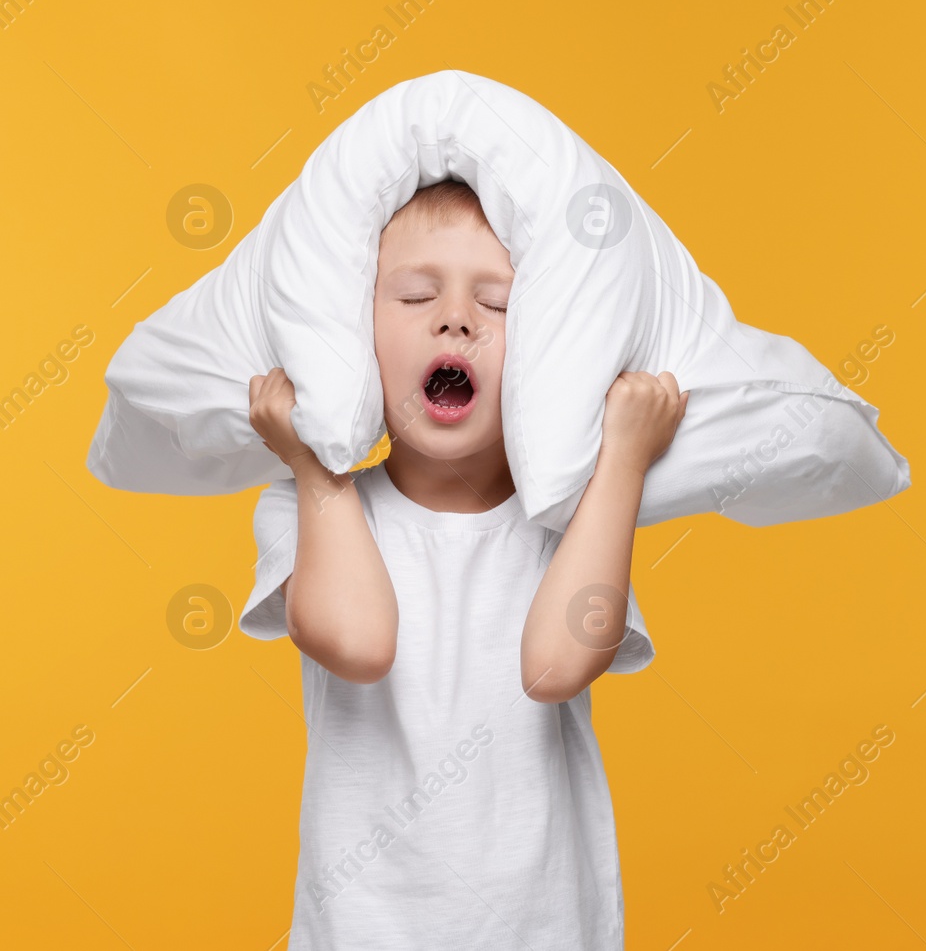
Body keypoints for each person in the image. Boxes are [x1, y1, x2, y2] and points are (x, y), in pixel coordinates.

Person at [239, 180, 688, 949]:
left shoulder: (570, 523)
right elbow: (359, 640)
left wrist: (623, 463)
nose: (456, 317)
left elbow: (558, 665)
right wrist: (316, 463)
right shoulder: (309, 506)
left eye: (500, 304)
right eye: (416, 297)